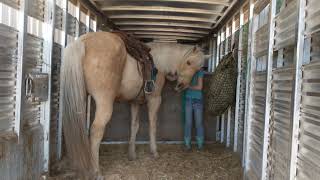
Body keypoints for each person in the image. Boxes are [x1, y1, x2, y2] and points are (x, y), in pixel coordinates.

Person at [183, 68, 205, 150]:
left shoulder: (200, 72)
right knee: (188, 123)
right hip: (189, 99)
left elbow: (200, 87)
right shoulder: (187, 71)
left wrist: (188, 86)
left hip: (197, 100)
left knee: (198, 123)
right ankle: (187, 144)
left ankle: (200, 145)